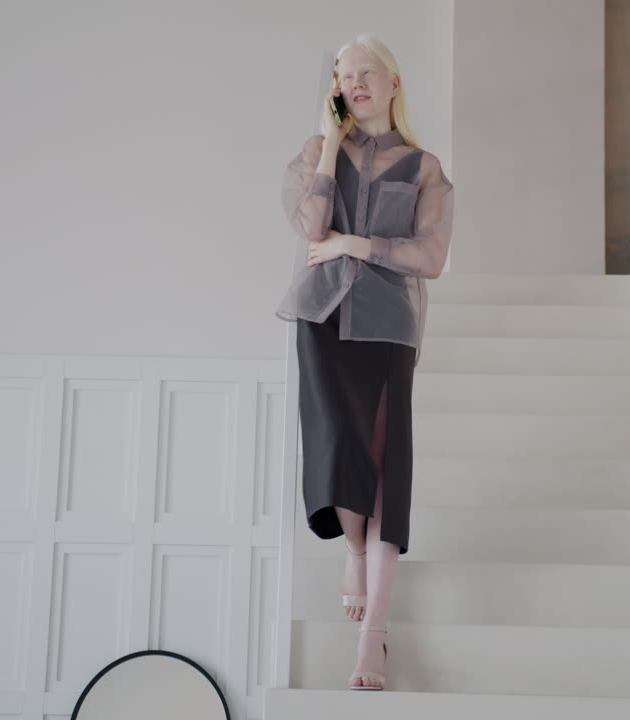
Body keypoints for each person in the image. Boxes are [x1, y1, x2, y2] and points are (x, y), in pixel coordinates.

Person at [273, 33, 455, 691]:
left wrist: (354, 243)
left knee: (384, 470)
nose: (354, 82)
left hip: (386, 327)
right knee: (337, 452)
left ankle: (372, 636)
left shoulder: (424, 169)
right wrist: (329, 142)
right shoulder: (313, 152)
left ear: (393, 82)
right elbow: (310, 225)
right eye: (343, 75)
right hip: (321, 319)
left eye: (366, 72)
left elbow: (430, 257)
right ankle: (352, 549)